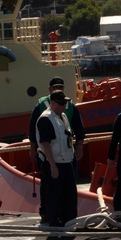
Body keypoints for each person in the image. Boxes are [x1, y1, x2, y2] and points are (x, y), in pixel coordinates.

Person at [28, 77, 85, 180]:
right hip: (48, 155)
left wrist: (80, 147)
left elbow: (79, 128)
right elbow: (33, 130)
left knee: (69, 184)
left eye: (60, 87)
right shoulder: (40, 106)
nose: (58, 89)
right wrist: (32, 148)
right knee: (49, 184)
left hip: (67, 153)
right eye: (55, 87)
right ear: (49, 89)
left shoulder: (70, 106)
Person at [35, 91, 78, 227]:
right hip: (54, 162)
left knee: (70, 193)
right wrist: (52, 165)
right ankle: (54, 220)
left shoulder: (63, 116)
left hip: (66, 160)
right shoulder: (46, 119)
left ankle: (69, 219)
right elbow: (45, 143)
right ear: (52, 103)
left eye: (65, 103)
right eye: (60, 104)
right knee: (54, 193)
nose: (64, 106)